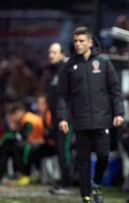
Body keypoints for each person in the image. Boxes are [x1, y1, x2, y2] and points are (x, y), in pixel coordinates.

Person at [57, 27, 124, 203]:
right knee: (83, 160)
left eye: (81, 41)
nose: (78, 45)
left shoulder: (103, 62)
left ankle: (97, 183)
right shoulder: (69, 66)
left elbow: (115, 90)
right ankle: (86, 195)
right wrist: (63, 117)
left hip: (103, 118)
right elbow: (63, 95)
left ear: (90, 42)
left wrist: (118, 112)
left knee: (103, 155)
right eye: (75, 42)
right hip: (80, 120)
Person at [43, 42, 74, 195]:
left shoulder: (67, 69)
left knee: (64, 150)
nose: (51, 55)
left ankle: (67, 182)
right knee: (60, 150)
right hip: (55, 118)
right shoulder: (53, 71)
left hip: (66, 118)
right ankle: (64, 179)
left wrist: (65, 117)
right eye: (50, 52)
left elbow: (69, 96)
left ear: (63, 53)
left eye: (54, 52)